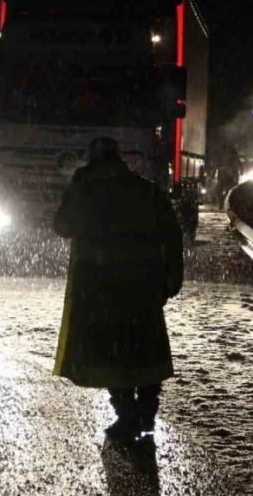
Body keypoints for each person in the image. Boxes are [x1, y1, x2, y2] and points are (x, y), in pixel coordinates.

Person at [52, 136, 184, 443]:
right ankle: (147, 411)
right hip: (144, 283)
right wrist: (172, 277)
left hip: (98, 286)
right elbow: (172, 235)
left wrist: (75, 186)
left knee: (111, 352)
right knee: (145, 348)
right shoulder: (146, 190)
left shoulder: (85, 191)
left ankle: (126, 414)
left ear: (92, 160)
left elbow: (62, 226)